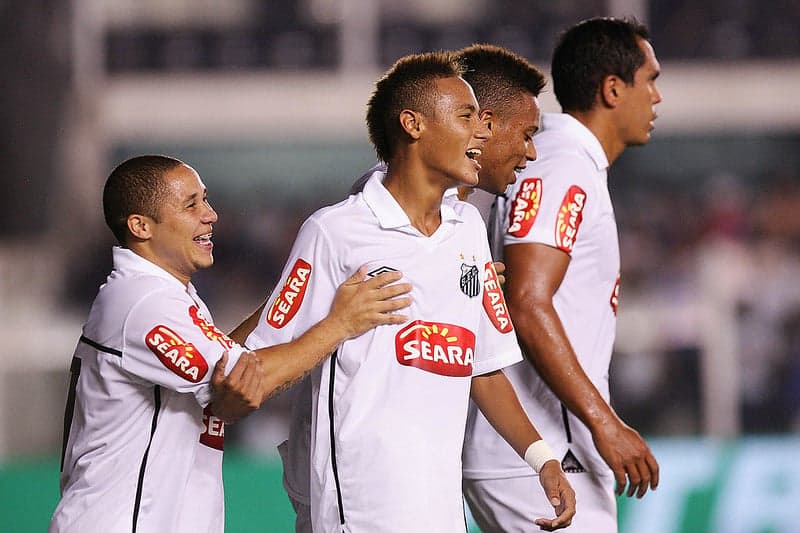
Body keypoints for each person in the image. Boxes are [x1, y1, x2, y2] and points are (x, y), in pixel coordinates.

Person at [244, 52, 574, 532]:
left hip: (440, 510)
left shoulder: (467, 230)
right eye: (467, 117)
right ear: (413, 124)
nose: (481, 134)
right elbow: (260, 362)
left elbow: (483, 367)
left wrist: (542, 458)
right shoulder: (337, 230)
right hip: (359, 511)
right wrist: (335, 326)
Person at [49, 155, 412, 533]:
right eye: (191, 205)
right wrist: (341, 323)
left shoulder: (164, 295)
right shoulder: (144, 302)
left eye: (205, 200)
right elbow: (247, 378)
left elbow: (232, 357)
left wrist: (304, 291)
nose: (210, 215)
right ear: (141, 226)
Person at [462, 17, 662, 532]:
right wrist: (605, 423)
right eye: (650, 80)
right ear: (613, 89)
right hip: (546, 450)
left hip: (538, 449)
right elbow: (526, 299)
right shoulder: (563, 162)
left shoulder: (561, 158)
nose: (657, 97)